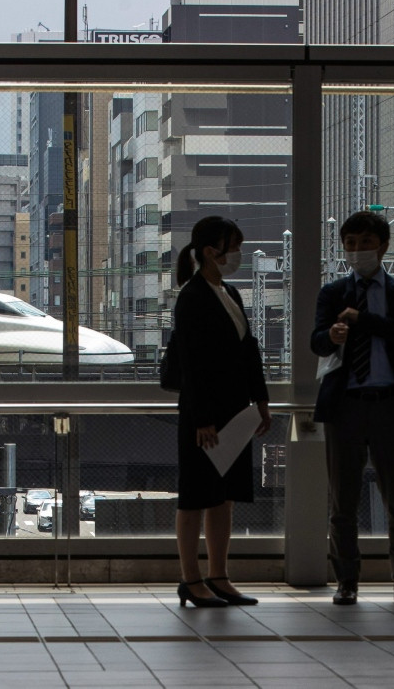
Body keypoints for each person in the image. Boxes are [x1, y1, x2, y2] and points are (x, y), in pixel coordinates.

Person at [311, 210, 394, 606]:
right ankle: (346, 581)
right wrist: (332, 333)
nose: (357, 251)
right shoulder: (333, 294)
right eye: (350, 244)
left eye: (365, 243)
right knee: (343, 502)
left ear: (383, 246)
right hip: (346, 407)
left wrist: (365, 320)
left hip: (391, 404)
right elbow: (316, 343)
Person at [172, 215, 272, 608]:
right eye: (234, 247)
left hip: (235, 412)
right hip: (205, 416)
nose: (238, 255)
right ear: (212, 251)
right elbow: (192, 364)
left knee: (223, 497)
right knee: (194, 497)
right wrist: (202, 419)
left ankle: (218, 575)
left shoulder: (230, 292)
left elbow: (250, 353)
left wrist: (262, 401)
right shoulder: (192, 297)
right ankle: (191, 579)